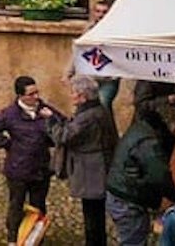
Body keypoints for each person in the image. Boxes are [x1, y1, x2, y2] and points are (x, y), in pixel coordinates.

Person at [0, 75, 66, 242]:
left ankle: (35, 239)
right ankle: (13, 239)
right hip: (18, 169)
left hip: (41, 168)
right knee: (16, 205)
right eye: (31, 94)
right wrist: (7, 144)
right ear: (21, 96)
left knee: (39, 206)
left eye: (37, 92)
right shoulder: (10, 114)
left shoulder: (44, 109)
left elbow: (63, 124)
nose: (36, 97)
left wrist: (51, 120)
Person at [106, 94, 175, 246]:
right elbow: (160, 176)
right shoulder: (149, 142)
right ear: (168, 124)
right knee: (134, 241)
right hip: (127, 199)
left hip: (120, 191)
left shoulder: (141, 127)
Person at [57, 73, 119, 246]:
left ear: (82, 96)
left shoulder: (87, 116)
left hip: (91, 171)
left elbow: (65, 136)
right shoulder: (100, 110)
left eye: (73, 92)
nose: (71, 96)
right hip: (99, 167)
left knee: (92, 218)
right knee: (95, 215)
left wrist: (52, 124)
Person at [89, 1, 120, 111]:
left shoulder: (116, 32)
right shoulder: (88, 30)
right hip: (92, 77)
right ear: (93, 13)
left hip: (109, 79)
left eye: (104, 12)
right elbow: (79, 52)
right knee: (94, 109)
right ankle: (109, 128)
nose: (101, 15)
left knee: (102, 104)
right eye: (98, 11)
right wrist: (68, 73)